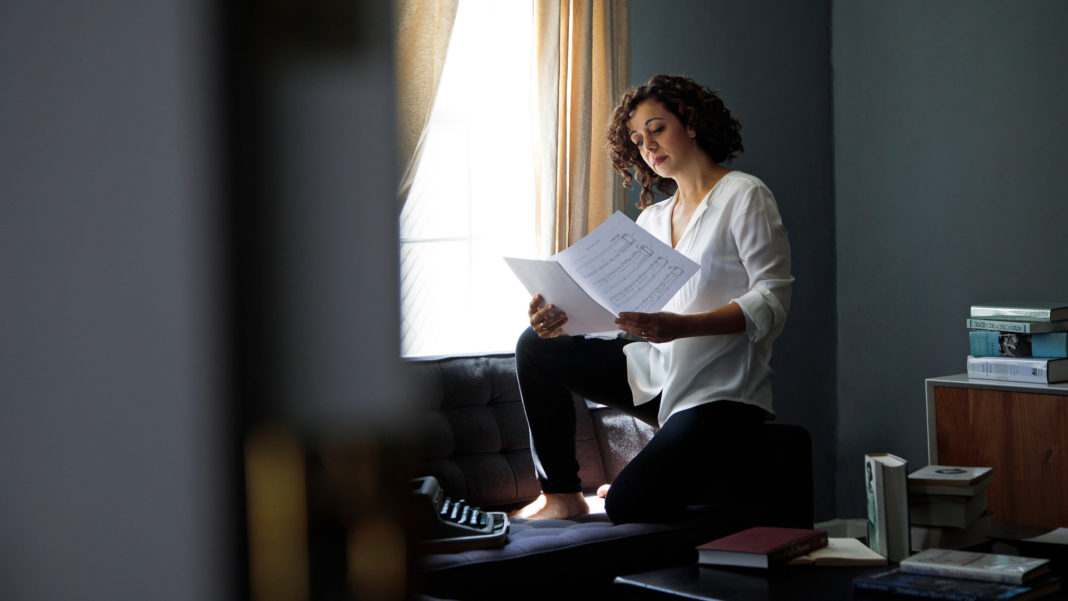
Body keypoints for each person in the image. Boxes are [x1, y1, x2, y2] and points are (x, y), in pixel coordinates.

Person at [513, 74, 793, 524]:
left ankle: (659, 478)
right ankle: (562, 495)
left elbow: (772, 300)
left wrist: (682, 326)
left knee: (627, 503)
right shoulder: (652, 220)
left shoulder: (745, 194)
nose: (648, 146)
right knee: (535, 343)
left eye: (657, 128)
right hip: (656, 376)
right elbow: (618, 316)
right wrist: (561, 318)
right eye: (638, 139)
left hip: (720, 396)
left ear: (692, 123)